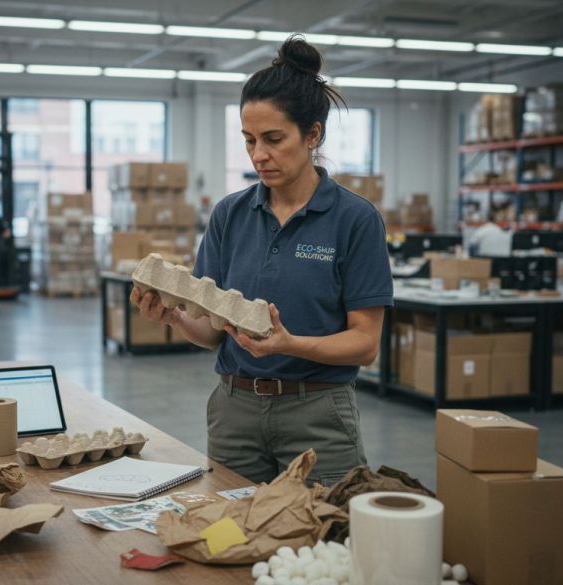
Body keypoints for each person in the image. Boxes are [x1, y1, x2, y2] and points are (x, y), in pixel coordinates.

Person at [130, 36, 392, 486]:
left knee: (323, 542)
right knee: (233, 539)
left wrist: (287, 344)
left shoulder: (355, 219)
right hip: (236, 411)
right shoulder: (230, 214)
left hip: (319, 414)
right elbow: (214, 332)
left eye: (273, 139)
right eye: (249, 140)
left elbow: (365, 344)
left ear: (313, 134)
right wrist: (173, 316)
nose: (258, 155)